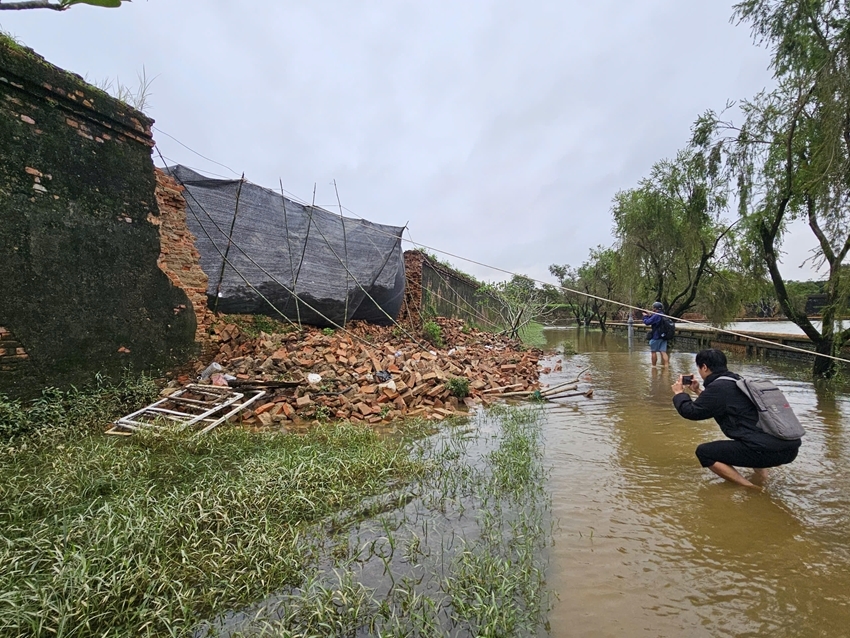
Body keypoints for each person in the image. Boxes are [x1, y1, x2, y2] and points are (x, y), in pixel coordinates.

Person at [671, 348, 802, 489]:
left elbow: (692, 412)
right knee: (751, 439)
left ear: (704, 367)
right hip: (789, 449)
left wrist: (679, 394)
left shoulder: (719, 388)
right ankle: (762, 481)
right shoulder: (737, 380)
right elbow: (717, 404)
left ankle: (751, 488)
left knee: (705, 452)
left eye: (699, 368)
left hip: (769, 452)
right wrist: (697, 390)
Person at [642, 301, 669, 366]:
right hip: (664, 336)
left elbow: (647, 322)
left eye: (653, 308)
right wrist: (649, 315)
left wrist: (645, 317)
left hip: (656, 336)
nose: (652, 309)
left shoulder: (657, 315)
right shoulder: (663, 315)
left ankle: (653, 367)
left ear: (655, 308)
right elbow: (653, 319)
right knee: (663, 352)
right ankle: (666, 366)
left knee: (653, 352)